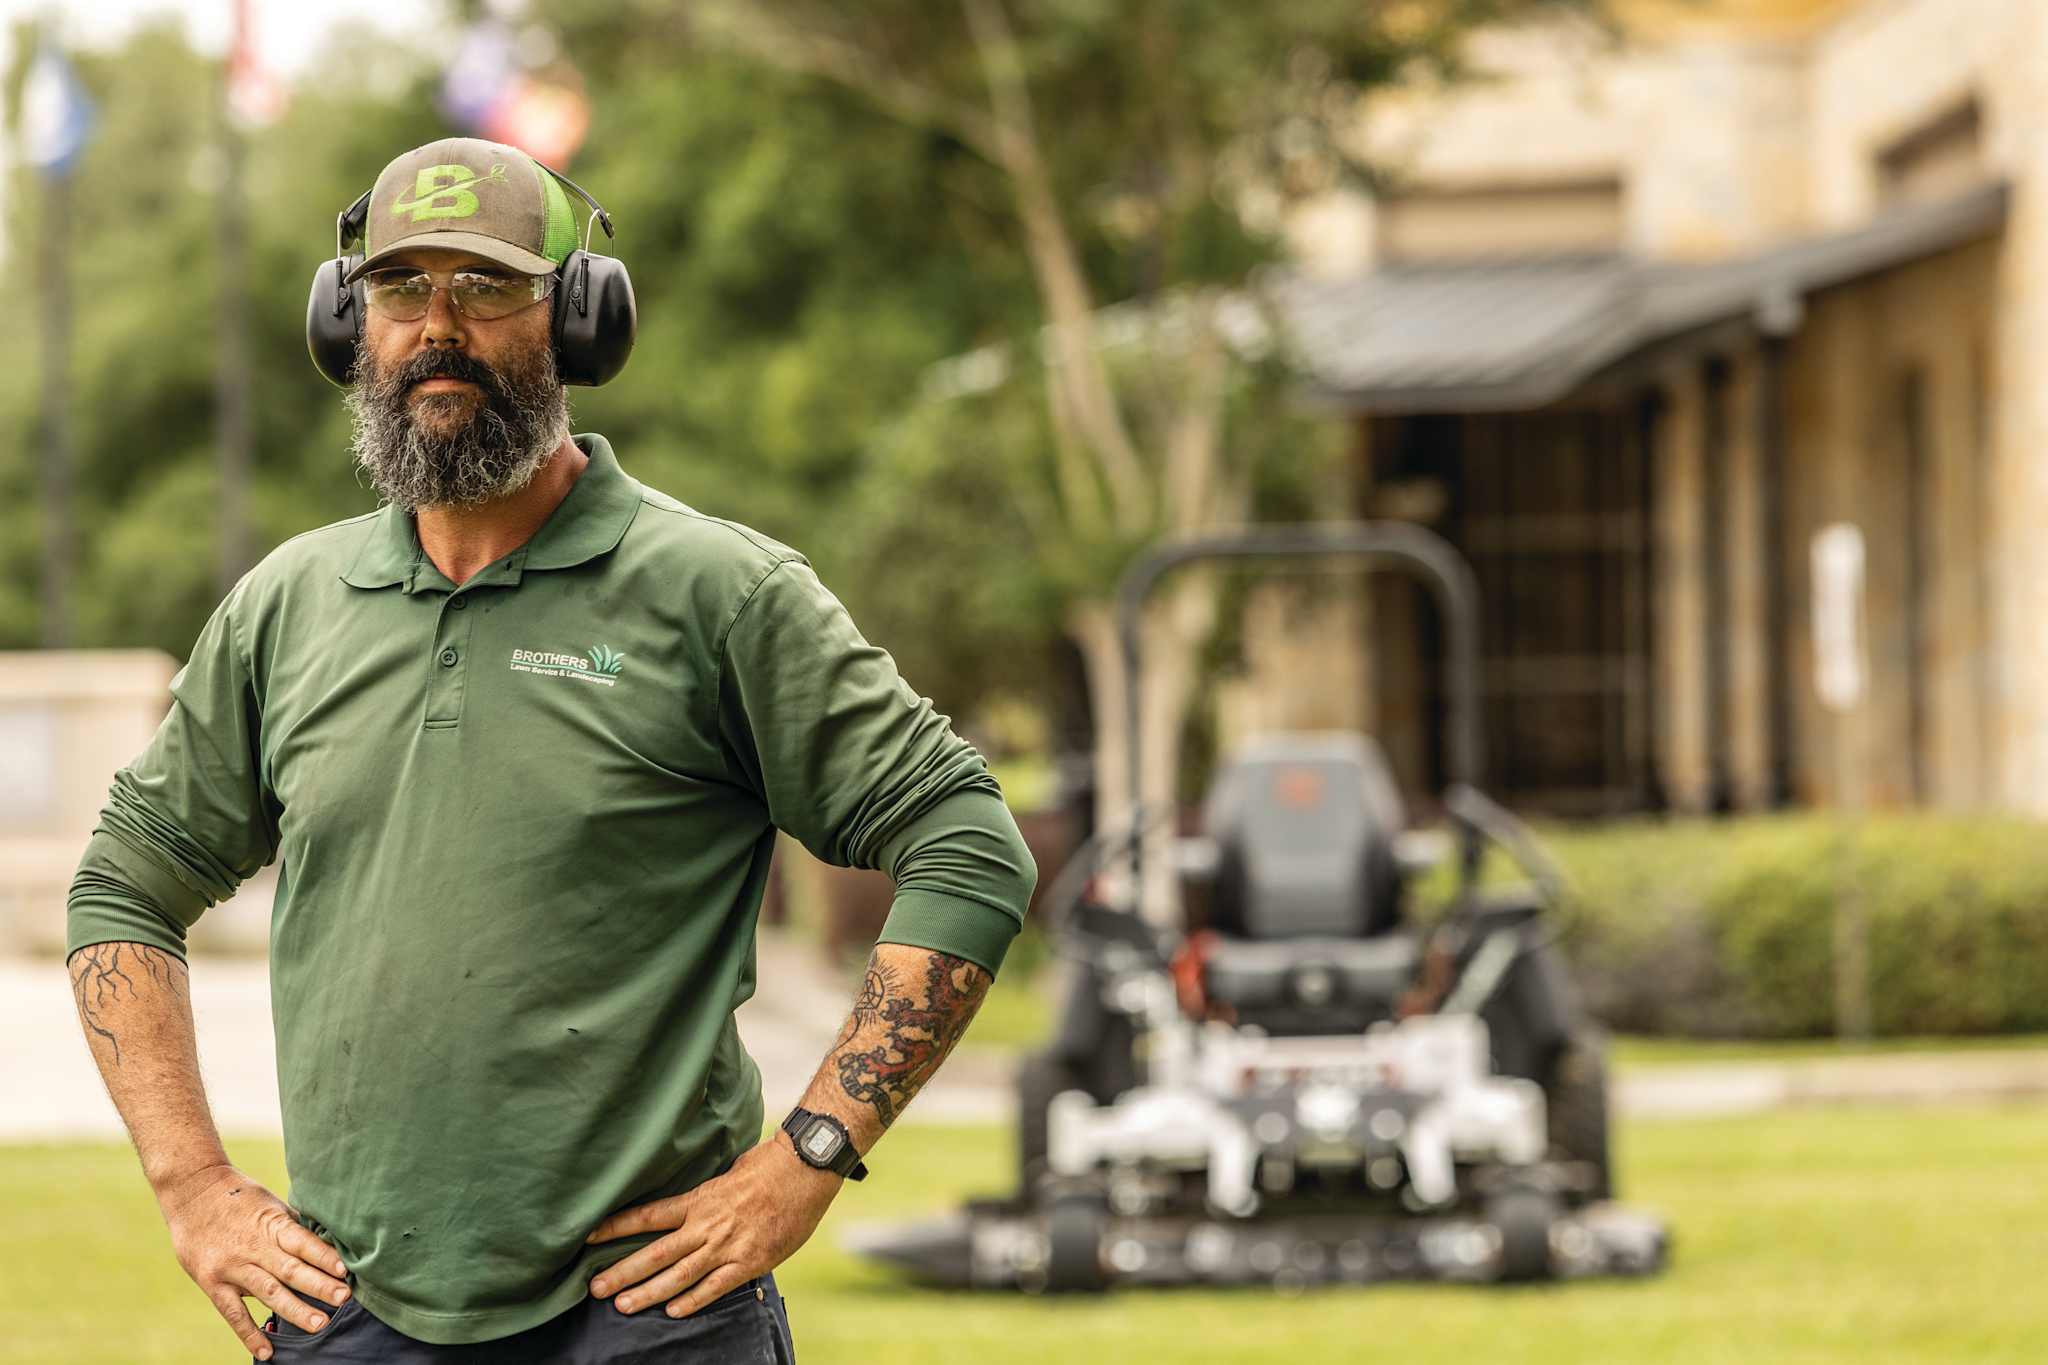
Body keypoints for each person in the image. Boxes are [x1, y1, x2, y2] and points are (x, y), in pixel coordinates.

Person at [63, 137, 1036, 1363]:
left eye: (487, 287)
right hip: (349, 1307)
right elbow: (121, 885)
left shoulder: (717, 594)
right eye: (401, 289)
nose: (437, 328)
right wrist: (192, 1185)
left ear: (577, 322)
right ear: (346, 325)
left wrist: (807, 1155)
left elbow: (965, 845)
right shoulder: (286, 607)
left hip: (653, 1317)